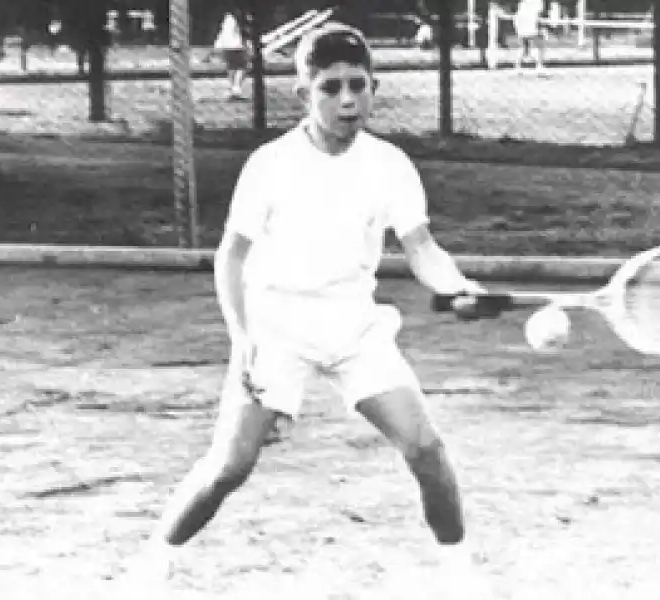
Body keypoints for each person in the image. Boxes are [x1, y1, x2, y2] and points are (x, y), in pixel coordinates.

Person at [130, 22, 490, 596]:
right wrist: (243, 341)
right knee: (229, 467)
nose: (348, 100)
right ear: (304, 93)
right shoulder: (271, 164)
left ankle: (459, 573)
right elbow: (230, 260)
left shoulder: (390, 164)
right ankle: (154, 562)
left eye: (358, 85)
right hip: (275, 328)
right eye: (331, 88)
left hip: (354, 326)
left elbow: (420, 246)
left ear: (373, 86)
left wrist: (456, 284)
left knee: (425, 447)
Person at [213, 11, 248, 100]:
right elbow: (243, 32)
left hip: (226, 45)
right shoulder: (238, 18)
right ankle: (236, 87)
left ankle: (232, 87)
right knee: (241, 67)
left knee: (231, 67)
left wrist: (218, 44)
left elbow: (223, 32)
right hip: (237, 45)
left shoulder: (226, 18)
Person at [513, 0, 546, 72]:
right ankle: (539, 65)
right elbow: (538, 15)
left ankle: (517, 66)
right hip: (530, 26)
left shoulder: (522, 3)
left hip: (523, 26)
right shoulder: (537, 3)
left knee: (524, 47)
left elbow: (517, 16)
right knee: (536, 46)